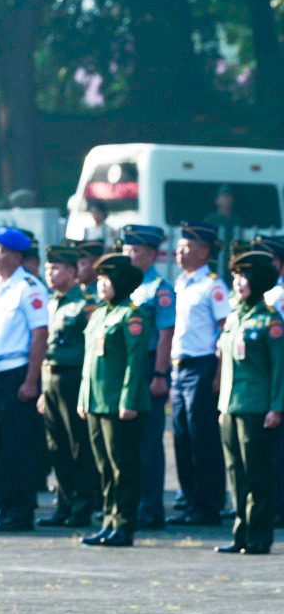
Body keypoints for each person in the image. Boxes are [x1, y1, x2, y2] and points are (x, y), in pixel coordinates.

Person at [0, 226, 49, 531]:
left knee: (17, 446)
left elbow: (39, 335)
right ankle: (1, 507)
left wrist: (31, 381)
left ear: (16, 255)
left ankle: (19, 511)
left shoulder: (29, 288)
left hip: (15, 375)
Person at [76, 253, 150, 548]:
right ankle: (108, 521)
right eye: (99, 279)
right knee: (104, 466)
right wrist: (84, 398)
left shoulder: (131, 315)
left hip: (119, 405)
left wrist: (127, 401)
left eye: (106, 279)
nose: (100, 284)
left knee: (123, 466)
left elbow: (134, 363)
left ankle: (124, 524)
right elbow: (89, 362)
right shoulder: (98, 314)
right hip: (96, 402)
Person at [214, 250, 284, 554]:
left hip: (258, 407)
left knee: (258, 472)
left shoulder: (270, 321)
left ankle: (259, 535)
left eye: (243, 277)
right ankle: (240, 532)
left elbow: (280, 368)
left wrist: (276, 406)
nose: (238, 282)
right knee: (236, 472)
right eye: (234, 276)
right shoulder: (234, 316)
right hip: (231, 406)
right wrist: (221, 405)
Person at [167, 220, 230, 526]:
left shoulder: (214, 286)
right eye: (179, 247)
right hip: (179, 368)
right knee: (181, 437)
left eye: (187, 247)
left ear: (204, 251)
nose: (180, 252)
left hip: (203, 365)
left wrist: (219, 375)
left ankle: (209, 503)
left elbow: (223, 333)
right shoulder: (180, 283)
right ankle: (190, 499)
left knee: (202, 437)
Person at [36, 245, 100, 528]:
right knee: (56, 445)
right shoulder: (50, 303)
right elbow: (43, 347)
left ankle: (83, 504)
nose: (51, 274)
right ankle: (63, 502)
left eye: (58, 268)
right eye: (49, 268)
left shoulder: (85, 305)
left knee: (79, 445)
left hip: (74, 378)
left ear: (74, 272)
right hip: (51, 378)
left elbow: (90, 350)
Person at [119, 225, 175, 529]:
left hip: (150, 365)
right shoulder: (129, 285)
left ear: (152, 254)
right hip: (130, 367)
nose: (130, 254)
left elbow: (166, 333)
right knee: (129, 441)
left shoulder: (159, 288)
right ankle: (133, 503)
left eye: (136, 250)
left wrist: (160, 374)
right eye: (127, 249)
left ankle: (151, 509)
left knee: (149, 442)